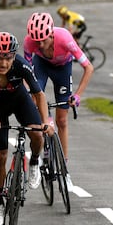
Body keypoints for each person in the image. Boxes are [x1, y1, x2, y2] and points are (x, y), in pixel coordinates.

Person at [0, 31, 53, 225]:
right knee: (0, 155)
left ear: (13, 56)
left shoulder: (22, 65)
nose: (3, 63)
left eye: (8, 58)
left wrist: (45, 122)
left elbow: (39, 94)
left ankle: (34, 161)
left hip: (19, 100)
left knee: (36, 133)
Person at [24, 12, 94, 192]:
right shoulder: (29, 42)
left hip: (63, 69)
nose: (39, 44)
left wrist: (77, 95)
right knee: (34, 95)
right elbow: (26, 73)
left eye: (43, 40)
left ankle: (64, 170)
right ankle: (42, 145)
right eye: (36, 40)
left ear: (51, 34)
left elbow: (88, 68)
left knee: (62, 120)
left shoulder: (65, 38)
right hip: (41, 67)